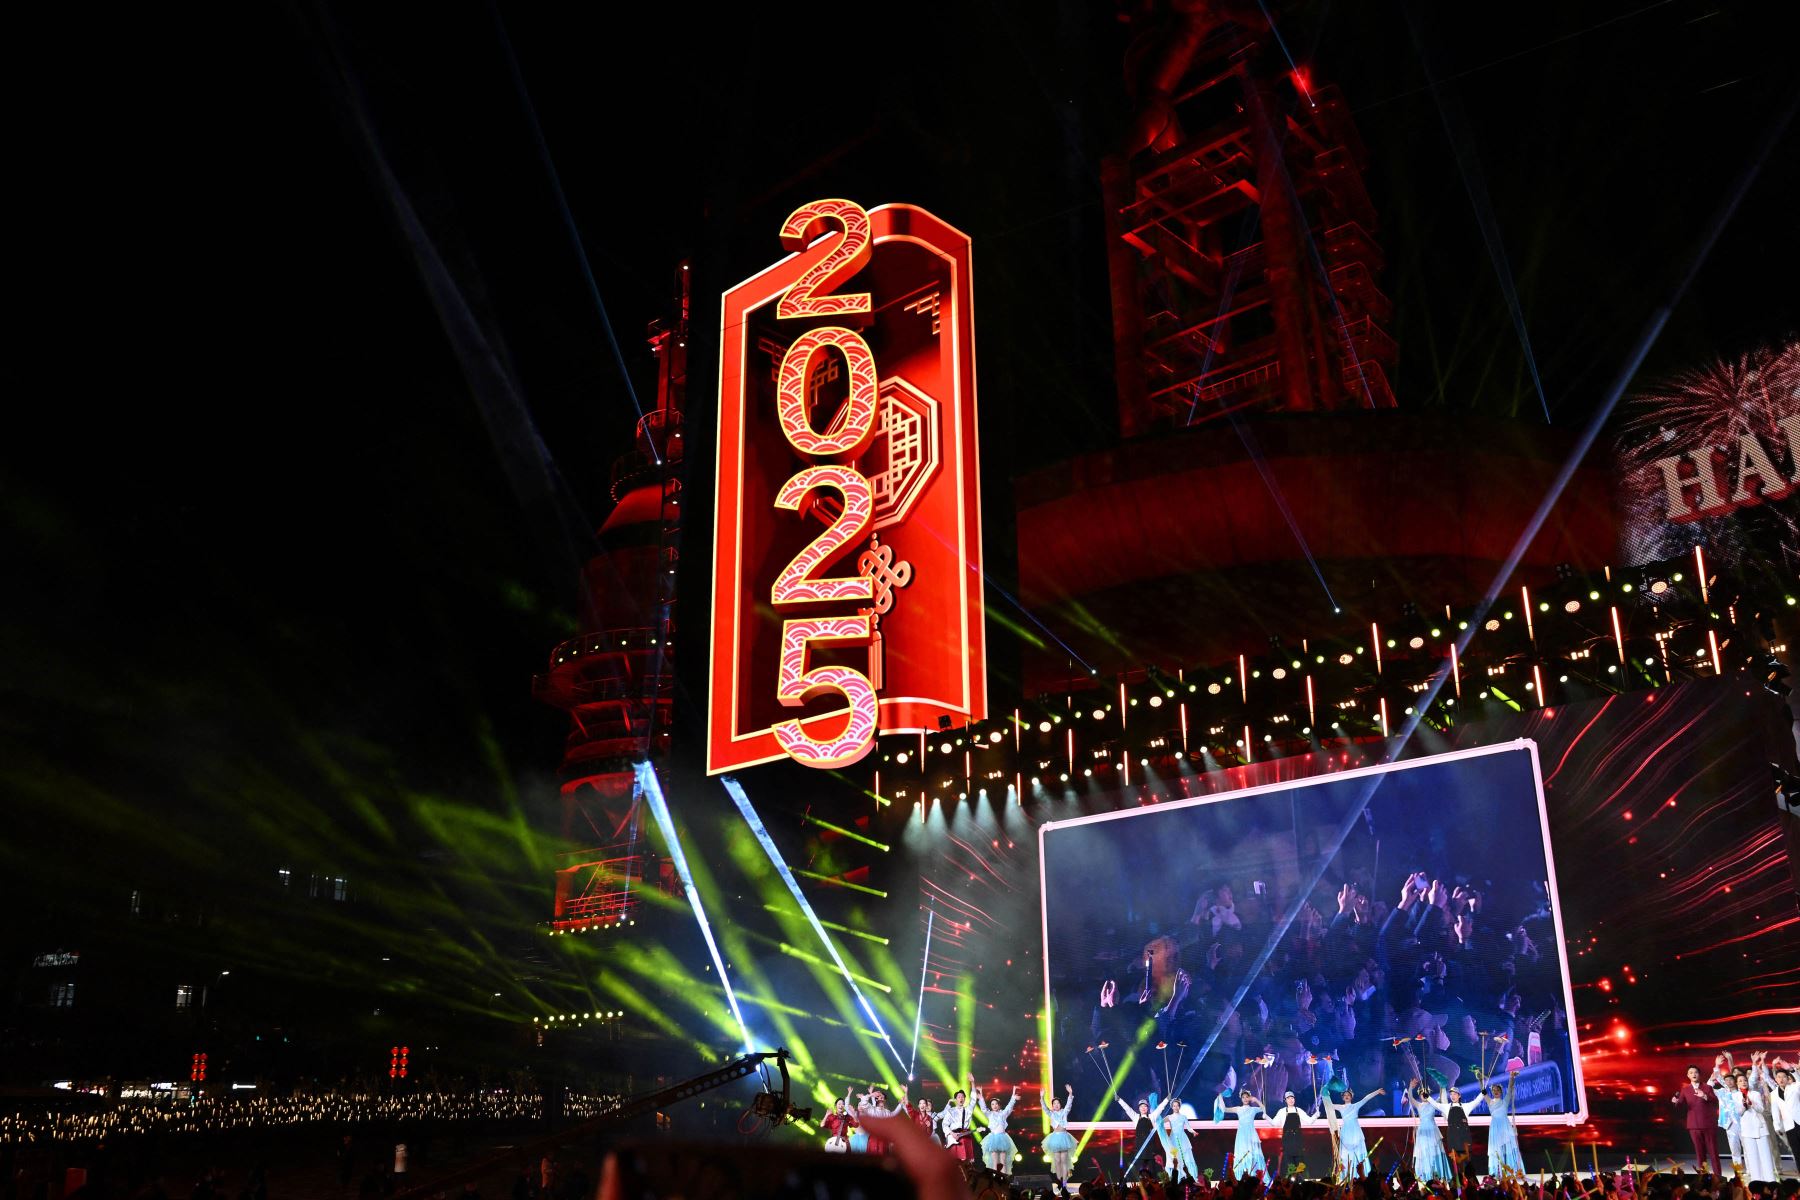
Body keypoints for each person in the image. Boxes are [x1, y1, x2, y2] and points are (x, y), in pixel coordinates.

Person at [1323, 1082, 1385, 1180]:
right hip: (1346, 1132)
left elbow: (1366, 1098)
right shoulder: (1340, 1107)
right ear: (1342, 1097)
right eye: (1345, 1095)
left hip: (1355, 1132)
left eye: (1348, 1095)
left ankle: (1360, 1176)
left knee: (1358, 1153)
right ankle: (1347, 1177)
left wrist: (1377, 1091)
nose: (1347, 1096)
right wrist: (1325, 1092)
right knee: (1346, 1155)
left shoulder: (1355, 1106)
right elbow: (1328, 1105)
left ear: (1351, 1097)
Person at [1671, 1063, 1723, 1176]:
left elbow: (1715, 1101)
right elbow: (1680, 1105)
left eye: (1695, 1072)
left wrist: (1704, 1096)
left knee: (1713, 1153)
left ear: (1699, 1074)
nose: (1693, 1074)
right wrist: (1676, 1102)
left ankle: (1718, 1177)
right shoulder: (1685, 1089)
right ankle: (1703, 1177)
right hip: (1694, 1125)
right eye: (1691, 1073)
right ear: (1688, 1075)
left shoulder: (1707, 1087)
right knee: (1700, 1154)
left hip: (1708, 1125)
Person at [1406, 1081, 1453, 1184]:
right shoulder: (1418, 1105)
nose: (1423, 1095)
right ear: (1420, 1095)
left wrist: (1441, 1085)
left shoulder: (1433, 1103)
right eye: (1422, 1093)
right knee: (1424, 1152)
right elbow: (1410, 1097)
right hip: (1423, 1132)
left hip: (1432, 1131)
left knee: (1434, 1152)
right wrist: (1410, 1087)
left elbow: (1441, 1097)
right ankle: (1425, 1176)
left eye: (1425, 1093)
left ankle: (1437, 1175)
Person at [1743, 1053, 1778, 1184]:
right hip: (1747, 1129)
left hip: (1762, 1123)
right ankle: (1756, 1185)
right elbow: (1740, 1111)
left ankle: (1772, 1182)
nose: (1744, 1082)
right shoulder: (1735, 1095)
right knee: (1752, 1158)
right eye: (1740, 1080)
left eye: (1745, 1080)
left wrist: (1755, 1063)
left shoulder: (1755, 1093)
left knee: (1767, 1154)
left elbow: (1754, 1079)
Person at [973, 1083, 1021, 1175]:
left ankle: (1003, 1178)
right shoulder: (989, 1114)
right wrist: (981, 1097)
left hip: (1003, 1138)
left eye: (996, 1104)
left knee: (1003, 1160)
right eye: (992, 1104)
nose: (994, 1105)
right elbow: (983, 1108)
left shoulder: (1003, 1114)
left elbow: (1009, 1107)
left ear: (999, 1105)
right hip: (993, 1138)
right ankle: (995, 1178)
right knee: (994, 1161)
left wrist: (1013, 1097)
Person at [1220, 1089, 1267, 1179]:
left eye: (1247, 1097)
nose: (1245, 1099)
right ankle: (1240, 1178)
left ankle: (1253, 1176)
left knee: (1252, 1154)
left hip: (1251, 1134)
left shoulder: (1253, 1109)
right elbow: (1224, 1109)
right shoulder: (1238, 1109)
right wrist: (1220, 1098)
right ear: (1241, 1099)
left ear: (1249, 1098)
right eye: (1243, 1097)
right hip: (1241, 1135)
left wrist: (1256, 1100)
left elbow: (1263, 1108)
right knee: (1242, 1153)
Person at [1487, 1072, 1524, 1178]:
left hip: (1504, 1127)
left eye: (1497, 1090)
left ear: (1501, 1092)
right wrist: (1480, 1081)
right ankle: (1498, 1173)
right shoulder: (1490, 1102)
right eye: (1494, 1091)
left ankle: (1511, 1171)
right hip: (1495, 1128)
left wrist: (1511, 1077)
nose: (1496, 1092)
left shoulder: (1504, 1101)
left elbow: (1510, 1086)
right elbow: (1484, 1092)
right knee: (1497, 1150)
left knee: (1507, 1148)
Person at [1114, 1096, 1167, 1165]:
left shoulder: (1152, 1116)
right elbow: (1127, 1108)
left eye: (1145, 1106)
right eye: (1141, 1106)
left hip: (1150, 1148)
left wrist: (1167, 1100)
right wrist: (1119, 1100)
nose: (1143, 1108)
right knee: (1141, 1169)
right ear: (1139, 1108)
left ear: (1147, 1108)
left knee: (1151, 1169)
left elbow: (1160, 1108)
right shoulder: (1135, 1117)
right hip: (1139, 1148)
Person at [1154, 1108, 1199, 1185]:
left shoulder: (1183, 1117)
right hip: (1173, 1138)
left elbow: (1188, 1127)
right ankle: (1175, 1178)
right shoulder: (1169, 1117)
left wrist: (1193, 1132)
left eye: (1177, 1105)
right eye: (1174, 1105)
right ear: (1172, 1107)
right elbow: (1161, 1122)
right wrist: (1156, 1120)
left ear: (1179, 1106)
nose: (1176, 1107)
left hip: (1182, 1138)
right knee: (1173, 1156)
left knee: (1187, 1157)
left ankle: (1194, 1178)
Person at [1044, 1085, 1078, 1187]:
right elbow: (1045, 1108)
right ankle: (1059, 1182)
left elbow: (1069, 1104)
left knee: (1064, 1161)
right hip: (1055, 1138)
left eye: (1058, 1103)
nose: (1056, 1105)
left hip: (1064, 1138)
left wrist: (1070, 1093)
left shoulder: (1064, 1112)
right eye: (1054, 1103)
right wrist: (1042, 1098)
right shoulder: (1051, 1114)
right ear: (1052, 1106)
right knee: (1057, 1161)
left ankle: (1064, 1183)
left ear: (1060, 1104)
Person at [1273, 1090, 1309, 1175]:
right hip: (1287, 1138)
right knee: (1290, 1162)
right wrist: (1266, 1116)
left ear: (1294, 1099)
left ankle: (1300, 1179)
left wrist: (1316, 1115)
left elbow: (1309, 1121)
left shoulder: (1299, 1110)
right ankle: (1291, 1179)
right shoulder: (1282, 1111)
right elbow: (1274, 1123)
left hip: (1297, 1138)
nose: (1291, 1100)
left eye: (1292, 1098)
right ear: (1285, 1100)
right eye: (1288, 1098)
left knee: (1300, 1162)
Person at [939, 1088, 978, 1163]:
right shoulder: (951, 1111)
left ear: (964, 1099)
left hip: (965, 1136)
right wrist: (951, 1133)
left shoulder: (968, 1110)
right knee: (954, 1161)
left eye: (962, 1097)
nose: (961, 1098)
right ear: (955, 1099)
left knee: (967, 1161)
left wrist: (972, 1083)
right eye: (959, 1097)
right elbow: (944, 1124)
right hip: (954, 1137)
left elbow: (973, 1100)